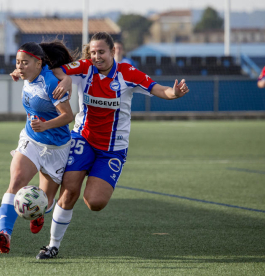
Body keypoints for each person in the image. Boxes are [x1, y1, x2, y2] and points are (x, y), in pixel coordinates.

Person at [35, 32, 190, 259]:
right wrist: (67, 78)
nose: (97, 57)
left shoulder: (128, 73)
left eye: (102, 52)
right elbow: (57, 71)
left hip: (112, 149)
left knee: (95, 202)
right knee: (69, 191)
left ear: (113, 52)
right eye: (94, 52)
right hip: (83, 139)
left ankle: (88, 181)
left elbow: (158, 89)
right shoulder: (85, 67)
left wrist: (174, 93)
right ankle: (52, 245)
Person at [0, 41, 76, 254]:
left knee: (46, 202)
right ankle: (5, 234)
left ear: (38, 63)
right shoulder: (27, 73)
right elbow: (23, 70)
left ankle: (39, 214)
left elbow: (68, 116)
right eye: (17, 62)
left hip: (57, 148)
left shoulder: (51, 83)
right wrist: (18, 71)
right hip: (31, 140)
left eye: (24, 63)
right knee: (16, 181)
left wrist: (45, 125)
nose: (20, 67)